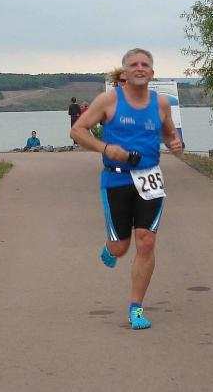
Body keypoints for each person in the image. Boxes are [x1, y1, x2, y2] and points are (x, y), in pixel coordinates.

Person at [70, 48, 183, 330]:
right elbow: (77, 131)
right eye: (134, 64)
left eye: (145, 64)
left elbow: (169, 135)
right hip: (116, 179)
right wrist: (106, 148)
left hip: (150, 179)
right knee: (121, 247)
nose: (140, 68)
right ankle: (111, 248)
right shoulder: (108, 100)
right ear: (125, 72)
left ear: (152, 73)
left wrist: (175, 144)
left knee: (146, 241)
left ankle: (136, 308)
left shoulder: (161, 104)